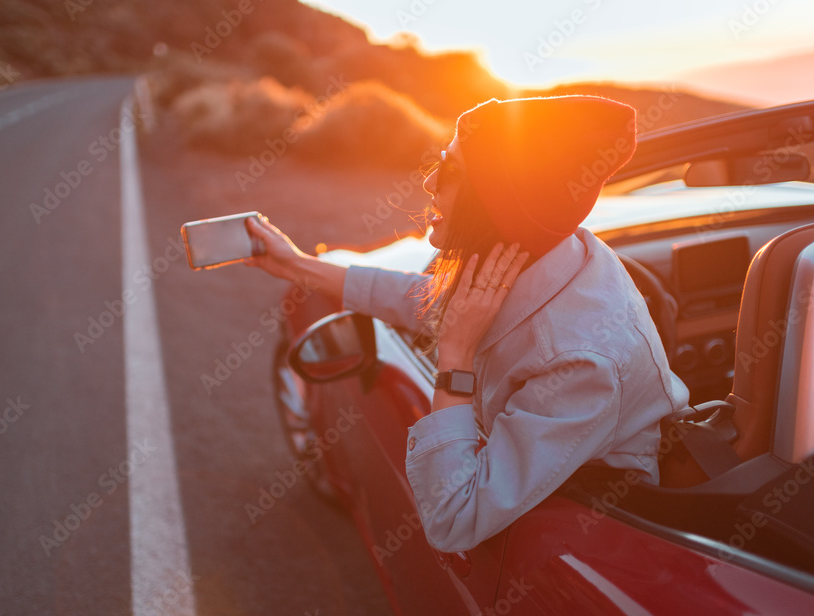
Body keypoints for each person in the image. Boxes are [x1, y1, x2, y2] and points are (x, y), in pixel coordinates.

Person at [244, 95, 690, 553]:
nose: (431, 181)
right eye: (441, 160)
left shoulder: (582, 362)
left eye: (453, 173)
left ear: (500, 205)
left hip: (592, 542)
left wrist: (454, 356)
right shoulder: (533, 249)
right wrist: (296, 264)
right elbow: (421, 298)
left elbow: (454, 518)